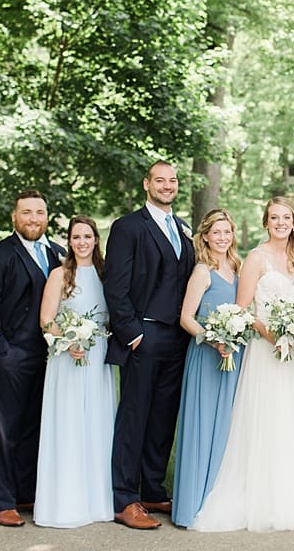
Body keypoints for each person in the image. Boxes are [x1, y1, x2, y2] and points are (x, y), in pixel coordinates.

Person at [191, 197, 294, 532]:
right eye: (274, 217)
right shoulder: (256, 258)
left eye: (286, 217)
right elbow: (243, 309)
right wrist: (271, 334)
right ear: (265, 221)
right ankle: (266, 498)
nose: (280, 223)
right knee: (269, 421)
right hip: (267, 353)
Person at [104, 161, 195, 530]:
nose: (167, 185)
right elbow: (116, 284)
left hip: (178, 336)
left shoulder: (184, 228)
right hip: (144, 335)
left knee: (162, 417)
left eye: (172, 180)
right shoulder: (128, 227)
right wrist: (131, 332)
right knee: (135, 417)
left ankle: (153, 488)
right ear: (147, 184)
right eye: (160, 180)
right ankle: (124, 497)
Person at [0, 189, 64, 527]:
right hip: (11, 357)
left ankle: (27, 493)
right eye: (26, 213)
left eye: (39, 212)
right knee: (5, 431)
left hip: (51, 359)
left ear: (47, 216)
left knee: (35, 428)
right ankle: (3, 500)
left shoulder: (58, 254)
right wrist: (1, 354)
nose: (33, 219)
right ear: (14, 217)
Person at [34, 216, 115, 528]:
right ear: (69, 241)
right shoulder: (60, 274)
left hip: (97, 360)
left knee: (96, 424)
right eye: (76, 237)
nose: (82, 242)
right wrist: (68, 342)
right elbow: (46, 319)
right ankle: (64, 502)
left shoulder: (105, 273)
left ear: (96, 239)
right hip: (66, 359)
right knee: (68, 426)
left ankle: (97, 502)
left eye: (87, 236)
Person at [172, 209, 244, 528]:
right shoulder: (202, 270)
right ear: (205, 237)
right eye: (216, 232)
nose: (222, 237)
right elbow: (186, 317)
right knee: (203, 427)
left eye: (227, 232)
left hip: (234, 357)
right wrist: (212, 338)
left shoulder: (238, 267)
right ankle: (194, 504)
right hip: (206, 356)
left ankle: (222, 498)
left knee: (229, 428)